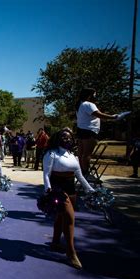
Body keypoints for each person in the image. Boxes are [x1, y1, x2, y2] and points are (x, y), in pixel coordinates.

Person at [43, 128, 95, 269]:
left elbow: (79, 176)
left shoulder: (73, 156)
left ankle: (55, 243)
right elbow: (46, 174)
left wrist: (90, 189)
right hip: (58, 191)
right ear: (58, 139)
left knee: (60, 218)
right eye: (64, 137)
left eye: (70, 138)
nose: (68, 140)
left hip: (71, 190)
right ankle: (71, 252)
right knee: (70, 218)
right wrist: (47, 189)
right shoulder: (51, 153)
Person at [75, 88, 126, 177]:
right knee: (87, 154)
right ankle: (86, 173)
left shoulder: (80, 104)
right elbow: (99, 114)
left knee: (81, 154)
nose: (95, 96)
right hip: (89, 131)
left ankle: (82, 172)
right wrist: (114, 117)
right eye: (94, 94)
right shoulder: (89, 104)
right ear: (89, 95)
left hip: (81, 130)